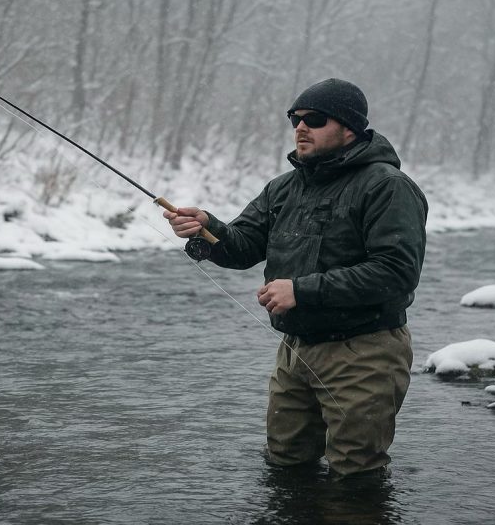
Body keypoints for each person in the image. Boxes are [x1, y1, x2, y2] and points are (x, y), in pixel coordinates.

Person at [164, 78, 428, 478]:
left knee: (355, 475)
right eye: (295, 119)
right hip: (296, 351)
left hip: (366, 351)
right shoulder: (283, 188)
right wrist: (204, 229)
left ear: (349, 128)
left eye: (315, 119)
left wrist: (300, 291)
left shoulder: (387, 187)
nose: (301, 127)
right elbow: (241, 247)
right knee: (285, 463)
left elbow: (396, 273)